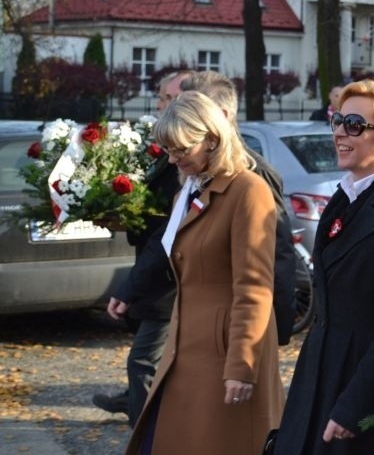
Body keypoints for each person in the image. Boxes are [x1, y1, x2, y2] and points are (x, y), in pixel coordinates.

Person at [275, 80, 374, 454]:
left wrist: (356, 405)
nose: (340, 133)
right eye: (338, 120)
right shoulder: (347, 195)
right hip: (319, 368)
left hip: (357, 380)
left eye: (356, 125)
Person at [125, 92, 284, 454]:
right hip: (187, 346)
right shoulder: (194, 186)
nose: (174, 159)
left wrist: (241, 365)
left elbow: (254, 287)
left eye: (181, 150)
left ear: (212, 138)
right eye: (169, 151)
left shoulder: (248, 190)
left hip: (225, 352)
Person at [93, 71, 191, 425]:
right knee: (149, 360)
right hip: (152, 274)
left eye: (167, 99)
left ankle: (143, 423)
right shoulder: (163, 154)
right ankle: (138, 405)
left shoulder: (191, 166)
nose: (160, 105)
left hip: (166, 281)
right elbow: (154, 219)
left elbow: (169, 231)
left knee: (143, 361)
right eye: (161, 98)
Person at [180, 70, 297, 344]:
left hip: (235, 326)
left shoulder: (254, 176)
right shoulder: (193, 173)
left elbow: (276, 255)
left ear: (221, 116)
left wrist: (274, 329)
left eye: (192, 111)